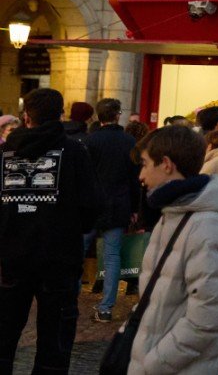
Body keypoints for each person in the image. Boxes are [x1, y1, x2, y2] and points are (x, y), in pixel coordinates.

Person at [128, 123, 218, 374]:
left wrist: (153, 364)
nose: (141, 176)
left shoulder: (204, 225)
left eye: (145, 164)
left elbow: (206, 318)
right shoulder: (172, 215)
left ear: (166, 164)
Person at [0, 88, 98, 373]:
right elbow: (91, 205)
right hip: (59, 258)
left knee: (4, 334)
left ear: (26, 116)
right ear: (60, 115)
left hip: (11, 258)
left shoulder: (5, 152)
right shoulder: (76, 152)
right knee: (55, 341)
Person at [84, 96, 135, 322]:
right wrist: (135, 207)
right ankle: (106, 308)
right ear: (118, 115)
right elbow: (135, 178)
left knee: (79, 252)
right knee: (112, 256)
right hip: (118, 204)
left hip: (91, 205)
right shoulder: (129, 141)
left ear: (98, 116)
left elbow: (83, 176)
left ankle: (68, 303)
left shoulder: (90, 141)